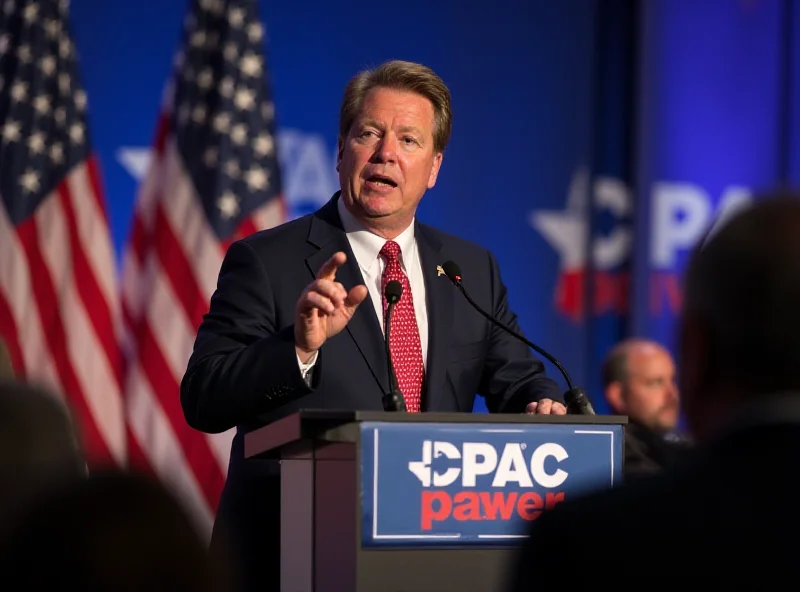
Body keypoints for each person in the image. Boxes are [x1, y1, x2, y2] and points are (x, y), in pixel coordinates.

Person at [181, 59, 565, 591]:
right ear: (341, 151)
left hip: (430, 562)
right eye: (369, 133)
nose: (386, 153)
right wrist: (298, 347)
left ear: (433, 168)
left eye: (409, 140)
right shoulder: (269, 260)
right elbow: (203, 397)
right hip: (289, 563)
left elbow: (518, 377)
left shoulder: (468, 269)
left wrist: (542, 405)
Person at [508, 193, 800, 589]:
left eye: (670, 379)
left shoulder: (584, 545)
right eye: (654, 382)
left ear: (696, 353)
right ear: (616, 394)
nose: (670, 394)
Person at [602, 338, 691, 478]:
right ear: (618, 395)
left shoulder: (685, 445)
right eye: (655, 383)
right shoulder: (611, 456)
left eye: (673, 381)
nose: (673, 394)